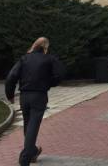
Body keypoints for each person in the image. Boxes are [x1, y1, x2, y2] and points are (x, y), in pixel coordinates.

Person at [5, 37, 65, 166]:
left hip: (24, 96)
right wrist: (49, 83)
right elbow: (60, 75)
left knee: (28, 125)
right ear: (45, 47)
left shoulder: (24, 59)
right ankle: (25, 158)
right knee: (32, 126)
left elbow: (11, 77)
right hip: (39, 96)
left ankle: (32, 151)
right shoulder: (50, 59)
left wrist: (10, 94)